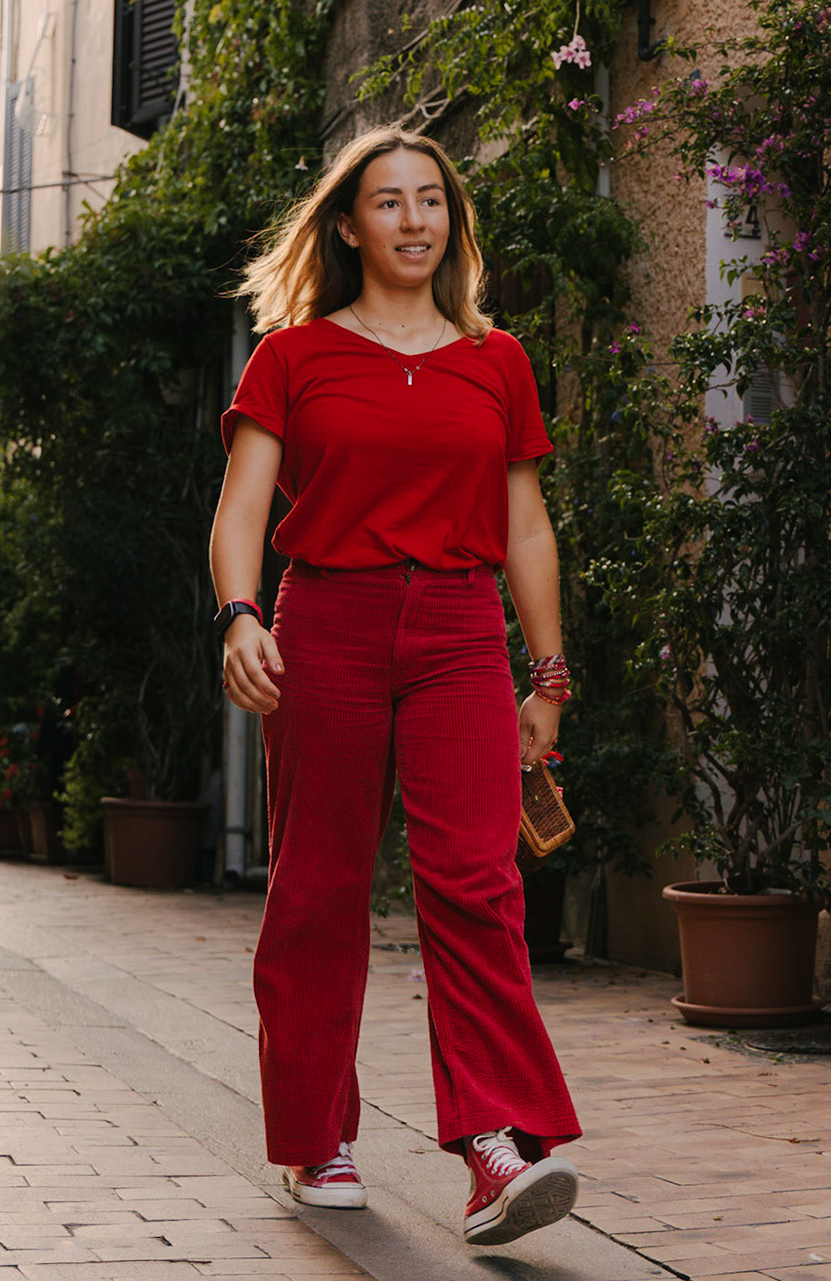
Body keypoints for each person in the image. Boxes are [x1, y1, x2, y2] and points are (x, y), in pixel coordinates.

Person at [207, 125, 583, 1247]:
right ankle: (318, 1135)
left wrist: (547, 675)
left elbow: (525, 525)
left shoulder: (496, 361)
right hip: (327, 623)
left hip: (463, 634)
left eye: (432, 200)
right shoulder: (294, 357)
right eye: (389, 201)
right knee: (319, 886)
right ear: (348, 225)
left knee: (476, 881)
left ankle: (495, 1147)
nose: (415, 219)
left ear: (452, 223)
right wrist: (236, 614)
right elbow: (240, 511)